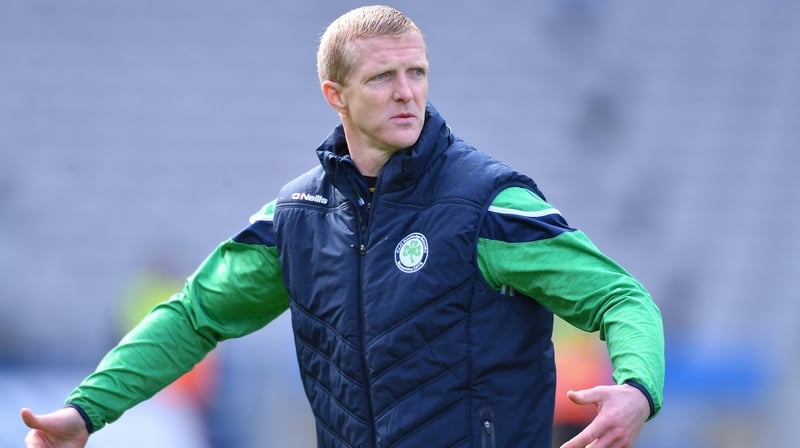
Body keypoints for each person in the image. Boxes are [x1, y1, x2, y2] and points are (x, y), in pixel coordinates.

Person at [21, 5, 664, 447]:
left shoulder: (488, 204)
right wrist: (86, 411)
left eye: (416, 72)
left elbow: (619, 296)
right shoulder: (298, 218)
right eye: (383, 77)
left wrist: (637, 387)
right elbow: (194, 316)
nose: (407, 92)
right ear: (336, 95)